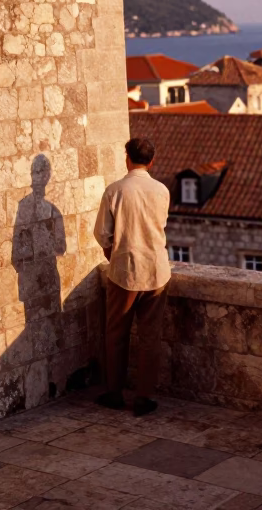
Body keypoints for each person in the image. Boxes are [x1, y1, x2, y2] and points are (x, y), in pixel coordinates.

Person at [93, 136, 171, 416]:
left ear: (128, 158)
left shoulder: (115, 190)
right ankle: (144, 397)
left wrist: (111, 253)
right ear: (151, 161)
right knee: (150, 336)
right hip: (157, 269)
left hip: (125, 269)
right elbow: (160, 225)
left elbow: (102, 233)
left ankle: (114, 392)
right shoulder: (162, 190)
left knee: (116, 333)